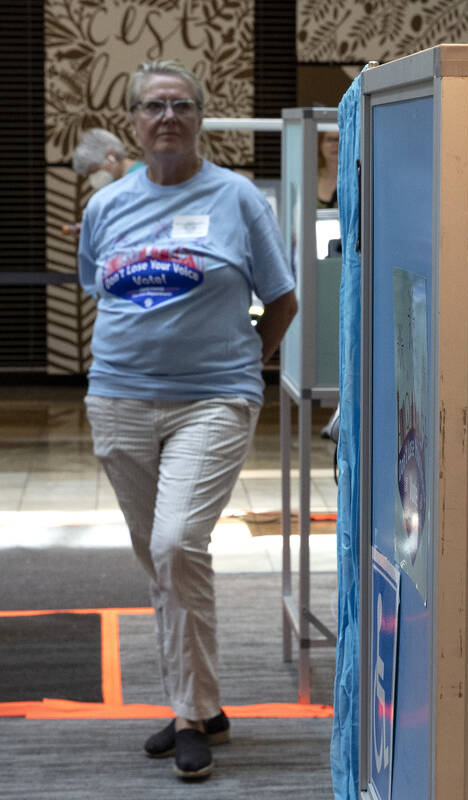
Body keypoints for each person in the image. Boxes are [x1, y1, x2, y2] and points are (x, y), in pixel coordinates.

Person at [76, 59, 297, 782]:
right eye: (152, 106)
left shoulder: (237, 199)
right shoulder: (105, 208)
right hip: (117, 399)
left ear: (200, 117)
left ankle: (191, 717)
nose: (167, 116)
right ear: (134, 121)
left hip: (214, 399)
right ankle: (201, 703)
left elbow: (284, 299)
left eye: (181, 105)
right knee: (160, 558)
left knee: (177, 543)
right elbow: (96, 289)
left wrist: (245, 364)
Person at [71, 127, 145, 190]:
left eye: (95, 171)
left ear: (111, 156)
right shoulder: (117, 185)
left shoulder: (143, 178)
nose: (93, 178)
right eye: (90, 174)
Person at [316, 128, 339, 208]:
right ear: (320, 144)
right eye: (329, 140)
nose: (335, 144)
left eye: (338, 139)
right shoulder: (311, 178)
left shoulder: (354, 178)